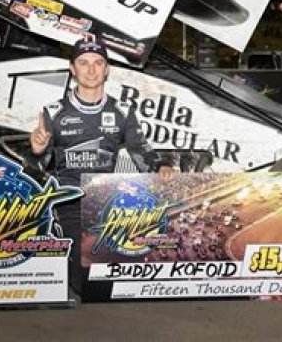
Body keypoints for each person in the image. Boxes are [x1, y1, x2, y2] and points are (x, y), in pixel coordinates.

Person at [29, 38, 175, 295]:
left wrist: (162, 166)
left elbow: (141, 151)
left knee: (130, 257)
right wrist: (37, 151)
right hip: (69, 199)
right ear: (72, 68)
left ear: (107, 69)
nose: (91, 70)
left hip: (106, 198)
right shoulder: (54, 112)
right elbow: (39, 167)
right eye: (83, 63)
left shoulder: (122, 111)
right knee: (83, 277)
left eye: (98, 63)